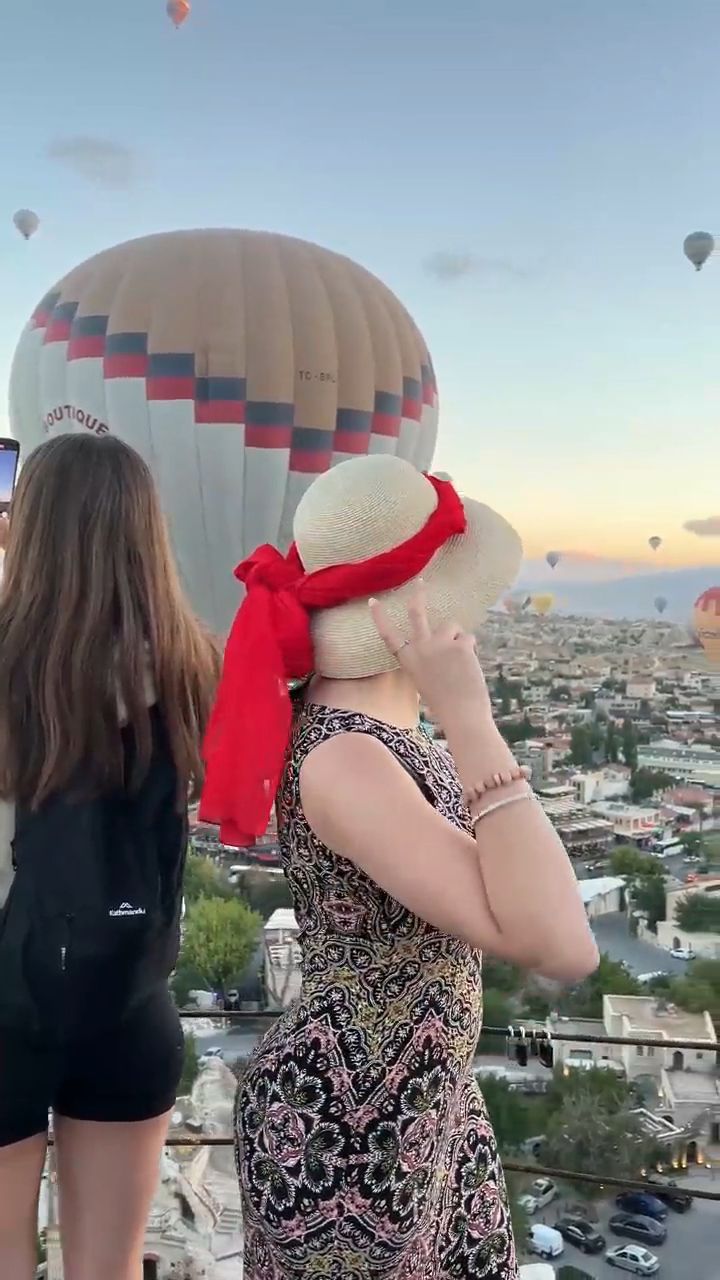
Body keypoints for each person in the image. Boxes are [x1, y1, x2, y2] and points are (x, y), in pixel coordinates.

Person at [200, 455, 599, 1280]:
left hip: (423, 1108)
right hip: (347, 1132)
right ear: (407, 611)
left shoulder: (377, 733)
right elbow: (562, 944)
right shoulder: (347, 757)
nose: (475, 620)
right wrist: (470, 716)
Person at [0, 435, 219, 1280]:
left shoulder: (15, 662)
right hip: (128, 1000)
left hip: (7, 998)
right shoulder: (191, 665)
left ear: (32, 527)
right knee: (112, 1268)